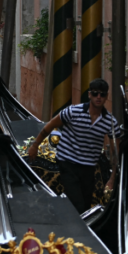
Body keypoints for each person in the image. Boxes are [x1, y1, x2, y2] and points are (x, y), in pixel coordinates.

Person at [26, 78, 120, 214]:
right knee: (78, 205)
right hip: (67, 162)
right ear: (89, 95)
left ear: (106, 97)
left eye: (102, 94)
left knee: (86, 207)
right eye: (95, 93)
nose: (98, 97)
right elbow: (50, 126)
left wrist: (112, 178)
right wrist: (35, 145)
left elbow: (115, 151)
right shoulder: (73, 111)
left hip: (88, 167)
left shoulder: (110, 122)